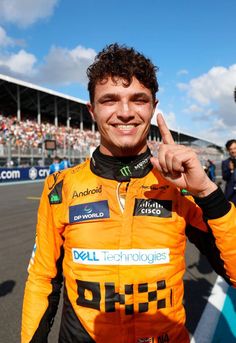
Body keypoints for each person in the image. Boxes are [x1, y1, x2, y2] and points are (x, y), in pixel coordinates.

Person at [21, 44, 236, 343]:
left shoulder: (180, 185)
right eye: (110, 100)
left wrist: (207, 193)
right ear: (92, 110)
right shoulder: (61, 186)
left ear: (153, 107)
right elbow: (43, 280)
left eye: (138, 99)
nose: (125, 112)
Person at [222, 139, 236, 204]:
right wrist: (231, 170)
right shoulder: (225, 162)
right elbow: (224, 177)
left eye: (235, 148)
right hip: (230, 195)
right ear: (228, 150)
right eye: (231, 149)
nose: (233, 151)